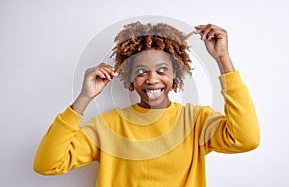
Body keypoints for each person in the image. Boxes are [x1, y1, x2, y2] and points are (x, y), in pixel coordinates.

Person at [33, 22, 260, 187]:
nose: (152, 79)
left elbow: (246, 139)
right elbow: (47, 164)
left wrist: (222, 58)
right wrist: (84, 97)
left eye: (162, 70)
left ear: (176, 75)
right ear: (130, 77)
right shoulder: (108, 125)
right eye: (141, 71)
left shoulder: (196, 121)